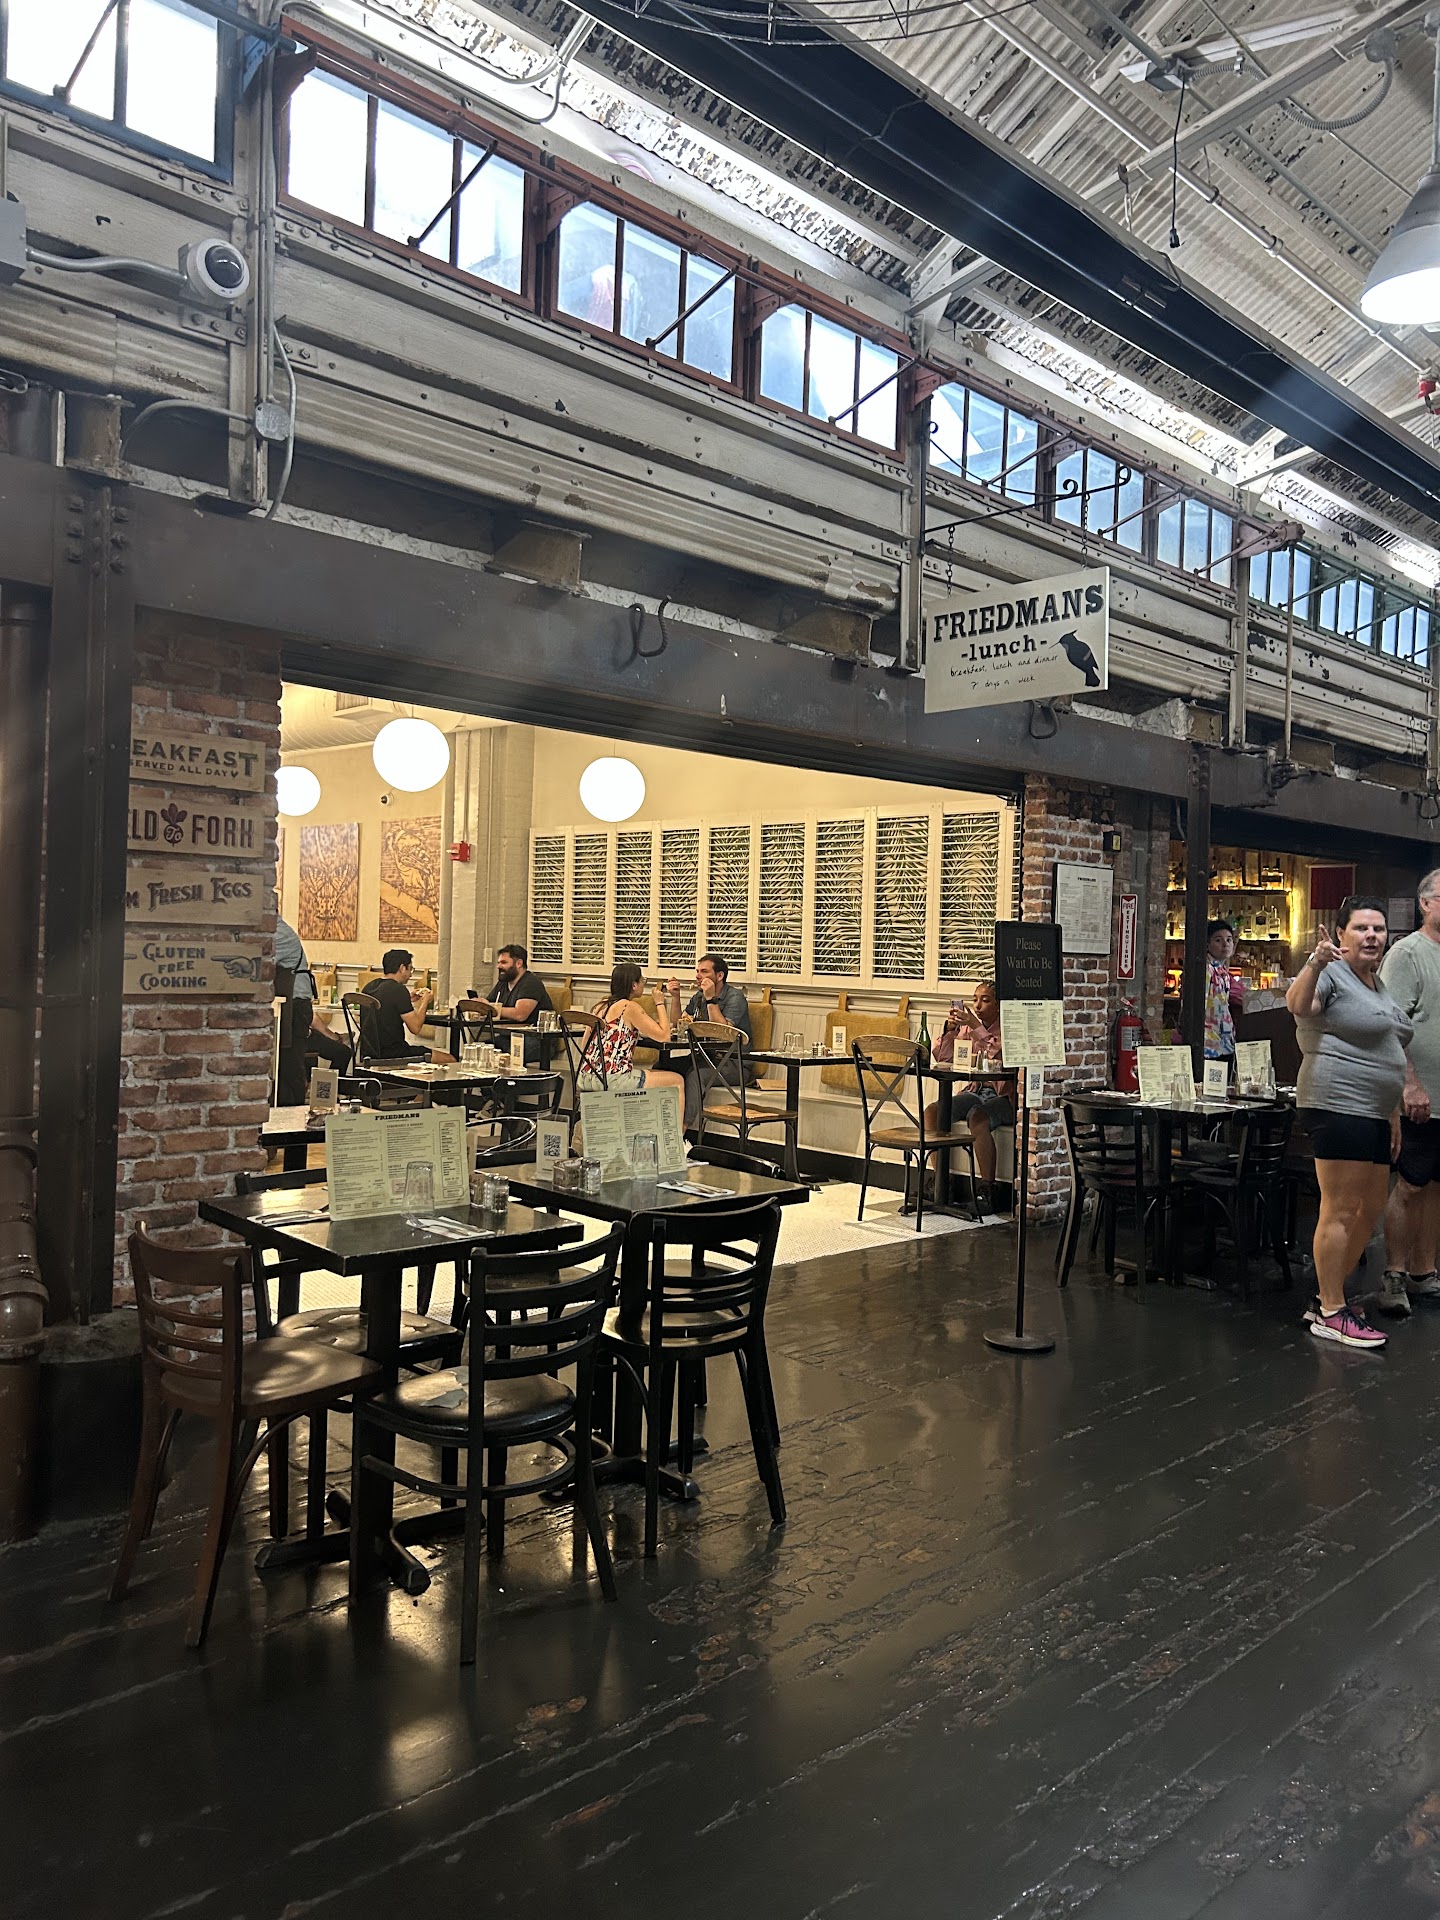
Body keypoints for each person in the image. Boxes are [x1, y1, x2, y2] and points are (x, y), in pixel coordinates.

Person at [1286, 897, 1413, 1350]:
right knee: (1340, 1208)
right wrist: (1315, 963)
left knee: (1371, 1207)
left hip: (1374, 1111)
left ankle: (1327, 1295)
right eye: (1361, 928)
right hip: (1337, 1102)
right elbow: (1298, 1005)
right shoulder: (1331, 973)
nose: (1372, 936)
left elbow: (1388, 1049)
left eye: (1378, 928)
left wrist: (1393, 1110)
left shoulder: (1376, 984)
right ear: (1341, 934)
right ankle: (1331, 1311)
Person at [1378, 868, 1440, 1316]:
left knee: (1435, 1185)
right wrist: (1410, 1084)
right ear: (1425, 903)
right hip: (1421, 1099)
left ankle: (1423, 1272)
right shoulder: (1407, 954)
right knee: (1411, 1185)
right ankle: (1394, 1275)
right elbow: (1389, 1027)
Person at [924, 982, 1015, 1208]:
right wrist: (950, 1030)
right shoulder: (966, 1029)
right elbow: (944, 1059)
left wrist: (975, 1026)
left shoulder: (1009, 1026)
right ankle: (941, 1183)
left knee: (977, 1116)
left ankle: (988, 1190)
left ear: (998, 1004)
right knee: (933, 1112)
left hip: (1005, 1095)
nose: (977, 1005)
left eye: (985, 1000)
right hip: (975, 1089)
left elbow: (1002, 1056)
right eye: (975, 1000)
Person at [667, 955, 751, 1129]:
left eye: (704, 972)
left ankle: (682, 1130)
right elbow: (677, 1025)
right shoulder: (699, 996)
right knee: (663, 1067)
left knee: (695, 1075)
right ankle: (660, 1124)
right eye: (697, 971)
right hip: (705, 1057)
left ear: (719, 976)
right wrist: (675, 997)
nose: (698, 976)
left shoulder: (735, 997)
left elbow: (722, 1034)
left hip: (735, 1063)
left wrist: (711, 999)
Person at [274, 915, 349, 1103]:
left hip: (294, 1008)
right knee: (286, 1066)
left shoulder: (280, 933)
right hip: (292, 1009)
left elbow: (257, 960)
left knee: (290, 1067)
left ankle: (297, 1109)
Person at [586, 963, 686, 1101]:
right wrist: (659, 1003)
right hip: (613, 1078)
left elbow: (585, 1044)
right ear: (634, 985)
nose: (643, 984)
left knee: (657, 1073)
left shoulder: (599, 1006)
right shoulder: (629, 1007)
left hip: (587, 1075)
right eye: (642, 980)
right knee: (677, 1081)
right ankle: (674, 1119)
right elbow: (664, 1037)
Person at [365, 948, 456, 1065]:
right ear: (402, 968)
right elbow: (415, 1028)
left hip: (369, 1053)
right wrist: (425, 1002)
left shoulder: (369, 987)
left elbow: (387, 1006)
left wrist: (407, 1000)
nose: (410, 974)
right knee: (451, 1060)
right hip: (394, 1054)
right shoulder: (398, 989)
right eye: (410, 969)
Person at [471, 943, 552, 1027]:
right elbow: (489, 1003)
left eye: (503, 962)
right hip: (505, 1031)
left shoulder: (531, 983)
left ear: (519, 963)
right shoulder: (503, 982)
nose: (498, 966)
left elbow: (520, 1015)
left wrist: (489, 1009)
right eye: (498, 963)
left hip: (528, 1032)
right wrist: (479, 1005)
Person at [1203, 919, 1246, 1060]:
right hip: (1208, 1044)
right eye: (1218, 940)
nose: (1225, 944)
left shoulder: (1222, 972)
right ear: (1208, 944)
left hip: (1223, 1043)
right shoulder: (1206, 969)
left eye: (1229, 940)